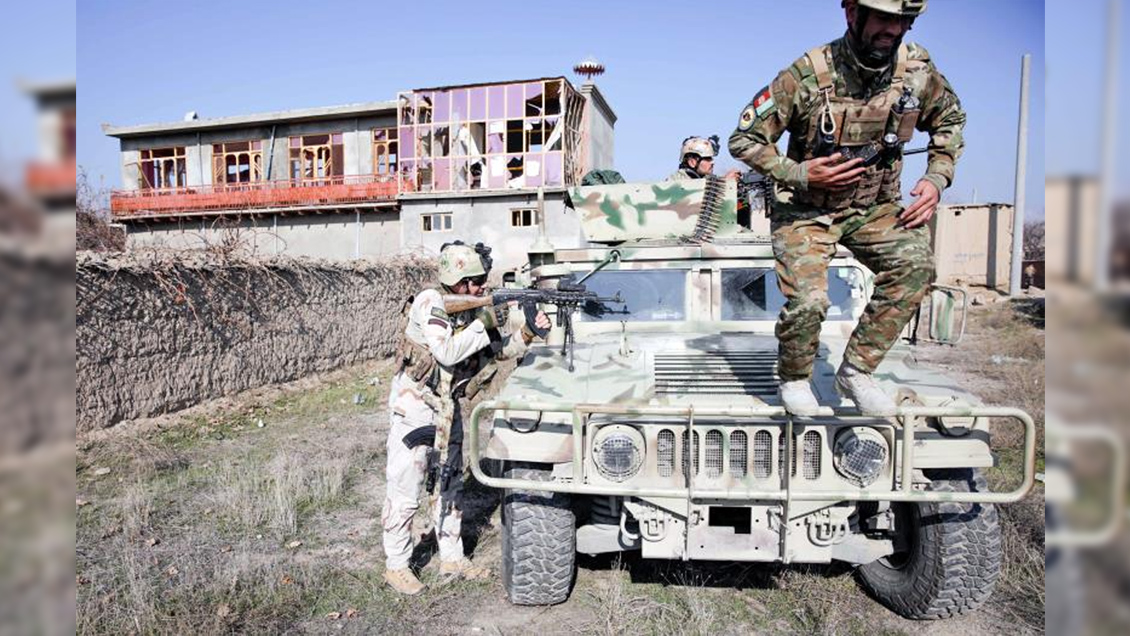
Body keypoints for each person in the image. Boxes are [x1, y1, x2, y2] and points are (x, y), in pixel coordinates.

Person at [728, 0, 965, 416]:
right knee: (810, 301)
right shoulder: (807, 75)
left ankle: (856, 371)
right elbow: (743, 140)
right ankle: (794, 377)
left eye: (902, 22)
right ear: (853, 13)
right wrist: (798, 172)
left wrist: (935, 178)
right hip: (806, 211)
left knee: (915, 267)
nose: (893, 31)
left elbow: (949, 120)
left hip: (873, 208)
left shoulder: (916, 73)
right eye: (884, 19)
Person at [382, 242, 551, 595]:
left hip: (447, 405)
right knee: (406, 487)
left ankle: (452, 558)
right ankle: (396, 565)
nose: (481, 286)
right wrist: (484, 320)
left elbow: (497, 352)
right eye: (475, 281)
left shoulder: (472, 311)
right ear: (457, 281)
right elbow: (445, 352)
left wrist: (528, 332)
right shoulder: (431, 301)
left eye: (482, 281)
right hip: (416, 404)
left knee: (449, 484)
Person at [667, 135, 740, 182]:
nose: (712, 162)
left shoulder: (706, 179)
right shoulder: (676, 181)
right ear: (692, 162)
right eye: (707, 159)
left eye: (711, 159)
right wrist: (724, 183)